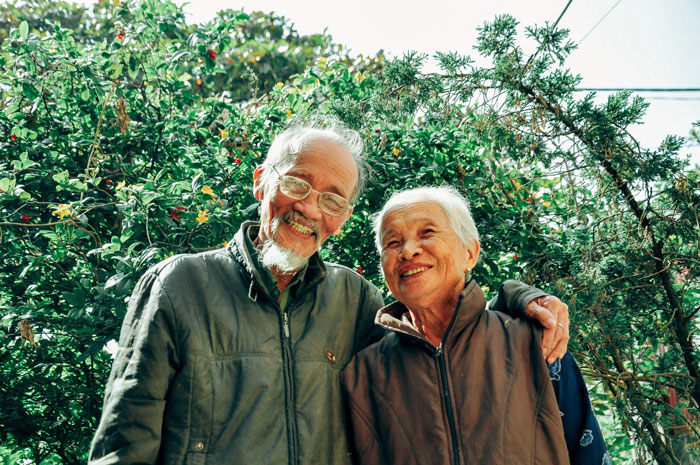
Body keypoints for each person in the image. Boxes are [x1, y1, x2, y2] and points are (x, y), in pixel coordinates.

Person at [89, 117, 571, 465]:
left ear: (342, 218)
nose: (309, 208)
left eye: (333, 199)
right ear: (262, 183)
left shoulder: (355, 299)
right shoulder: (179, 285)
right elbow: (124, 443)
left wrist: (518, 299)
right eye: (296, 183)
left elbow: (445, 341)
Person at [341, 186, 610, 465]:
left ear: (470, 253)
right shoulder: (363, 374)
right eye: (392, 243)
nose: (408, 251)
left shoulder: (535, 342)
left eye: (428, 233)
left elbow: (588, 451)